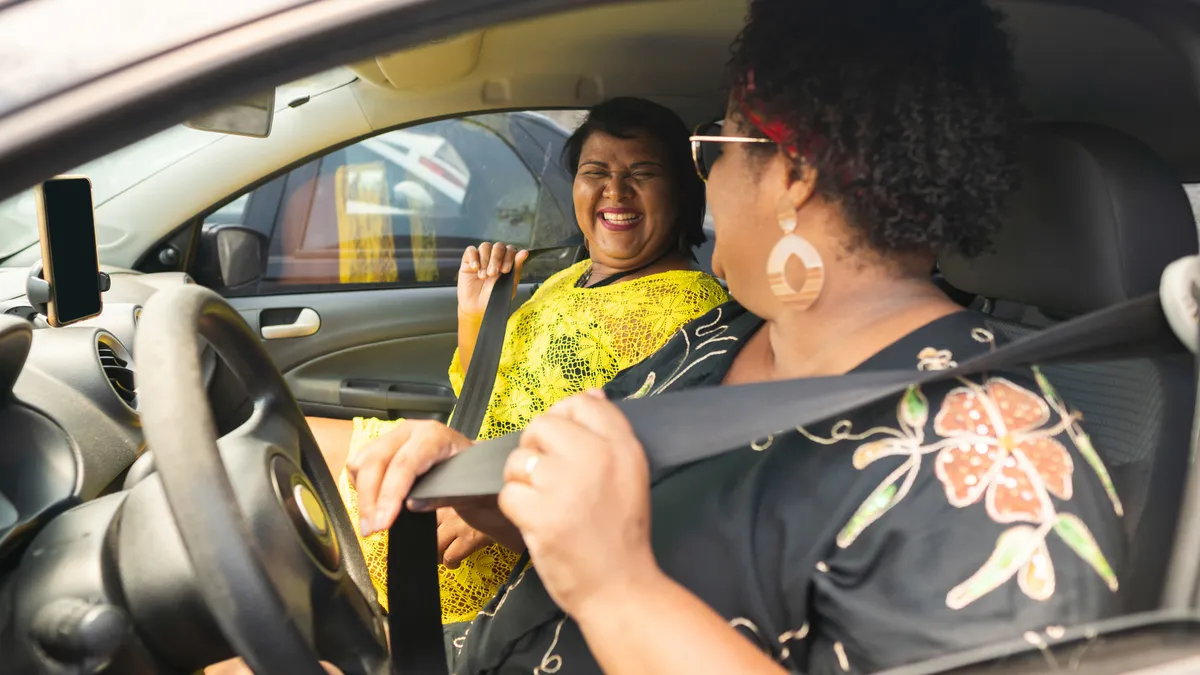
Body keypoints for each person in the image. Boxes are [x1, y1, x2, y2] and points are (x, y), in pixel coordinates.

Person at [347, 0, 1126, 673]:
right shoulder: (722, 333)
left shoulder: (990, 466)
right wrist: (479, 474)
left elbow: (612, 559)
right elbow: (593, 507)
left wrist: (619, 589)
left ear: (793, 174)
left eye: (714, 146)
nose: (707, 178)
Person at [312, 96, 729, 625]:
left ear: (684, 190)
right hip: (462, 471)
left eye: (641, 174)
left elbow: (647, 460)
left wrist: (501, 502)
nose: (614, 191)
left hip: (500, 539)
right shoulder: (569, 278)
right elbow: (488, 399)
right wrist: (476, 319)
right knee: (277, 444)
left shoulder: (692, 306)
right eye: (594, 171)